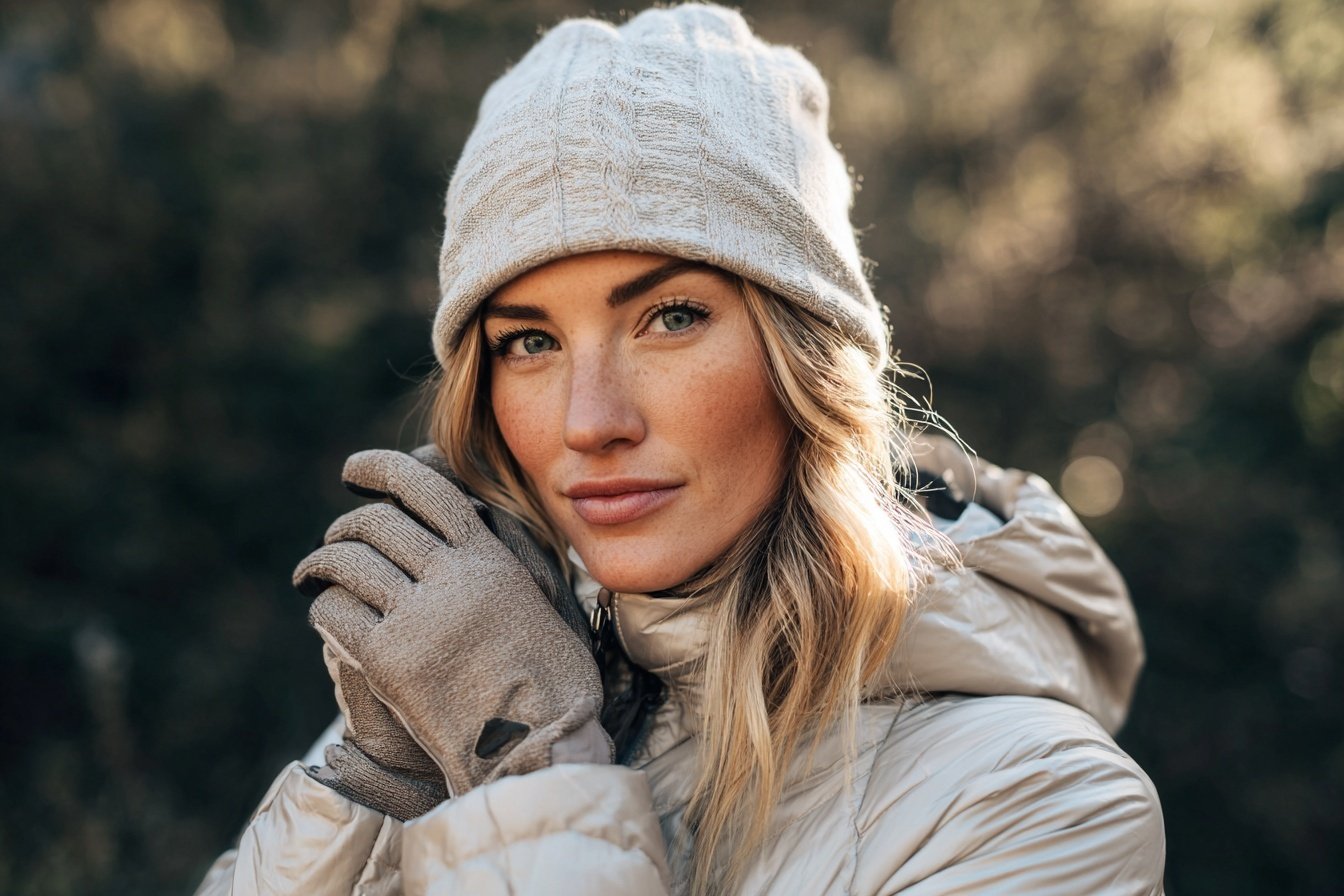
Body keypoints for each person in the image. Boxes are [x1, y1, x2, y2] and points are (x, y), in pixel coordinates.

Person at [195, 5, 1165, 894]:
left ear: (805, 361)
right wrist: (377, 787)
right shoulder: (468, 695)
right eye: (529, 341)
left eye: (670, 315)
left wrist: (536, 770)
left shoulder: (1039, 798)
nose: (590, 419)